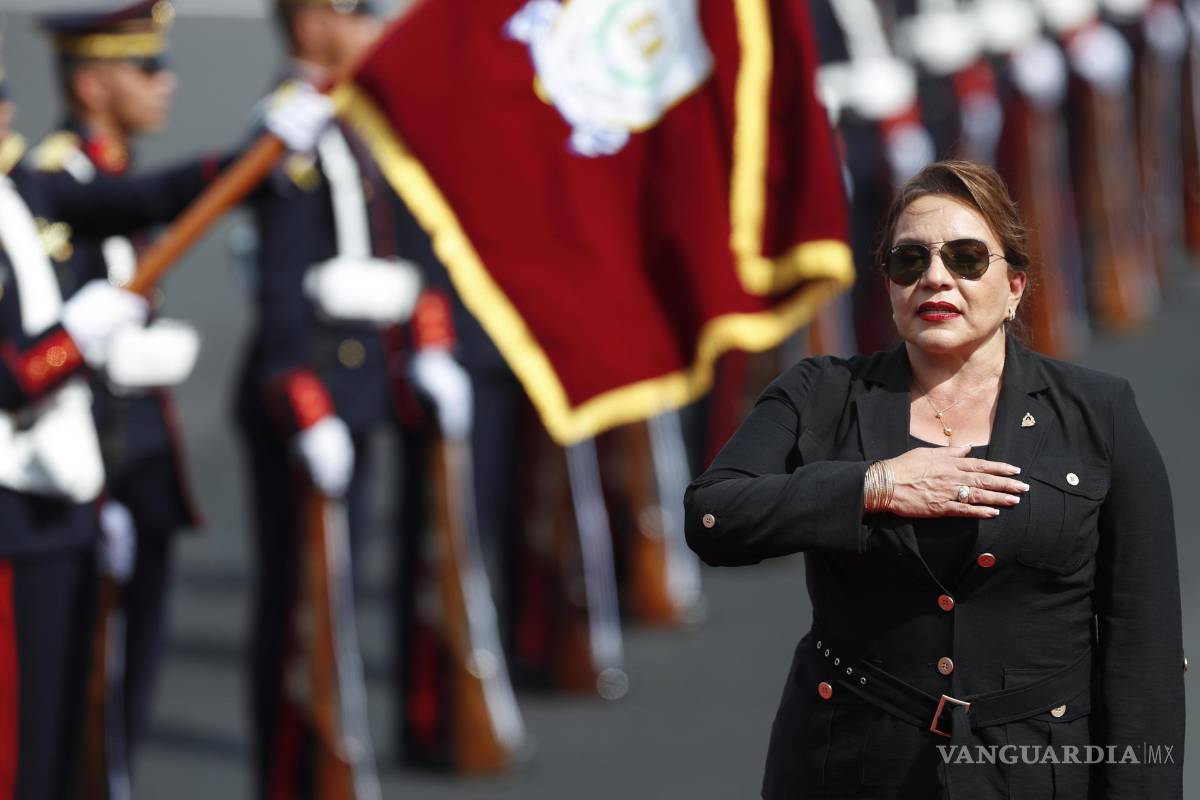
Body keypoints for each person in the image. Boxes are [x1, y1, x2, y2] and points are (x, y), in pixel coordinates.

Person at [684, 160, 1185, 799]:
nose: (936, 277)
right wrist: (873, 486)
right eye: (910, 260)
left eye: (967, 259)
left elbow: (1143, 648)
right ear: (890, 285)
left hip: (1034, 773)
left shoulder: (1099, 413)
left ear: (1015, 286)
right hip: (852, 768)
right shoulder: (820, 393)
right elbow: (713, 517)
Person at [236, 0, 494, 790]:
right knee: (303, 600)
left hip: (369, 375)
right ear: (311, 25)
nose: (375, 29)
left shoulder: (355, 114)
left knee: (365, 579)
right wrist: (301, 398)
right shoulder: (288, 128)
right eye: (356, 13)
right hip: (311, 383)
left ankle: (394, 732)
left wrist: (429, 341)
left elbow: (409, 238)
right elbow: (278, 284)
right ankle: (293, 775)